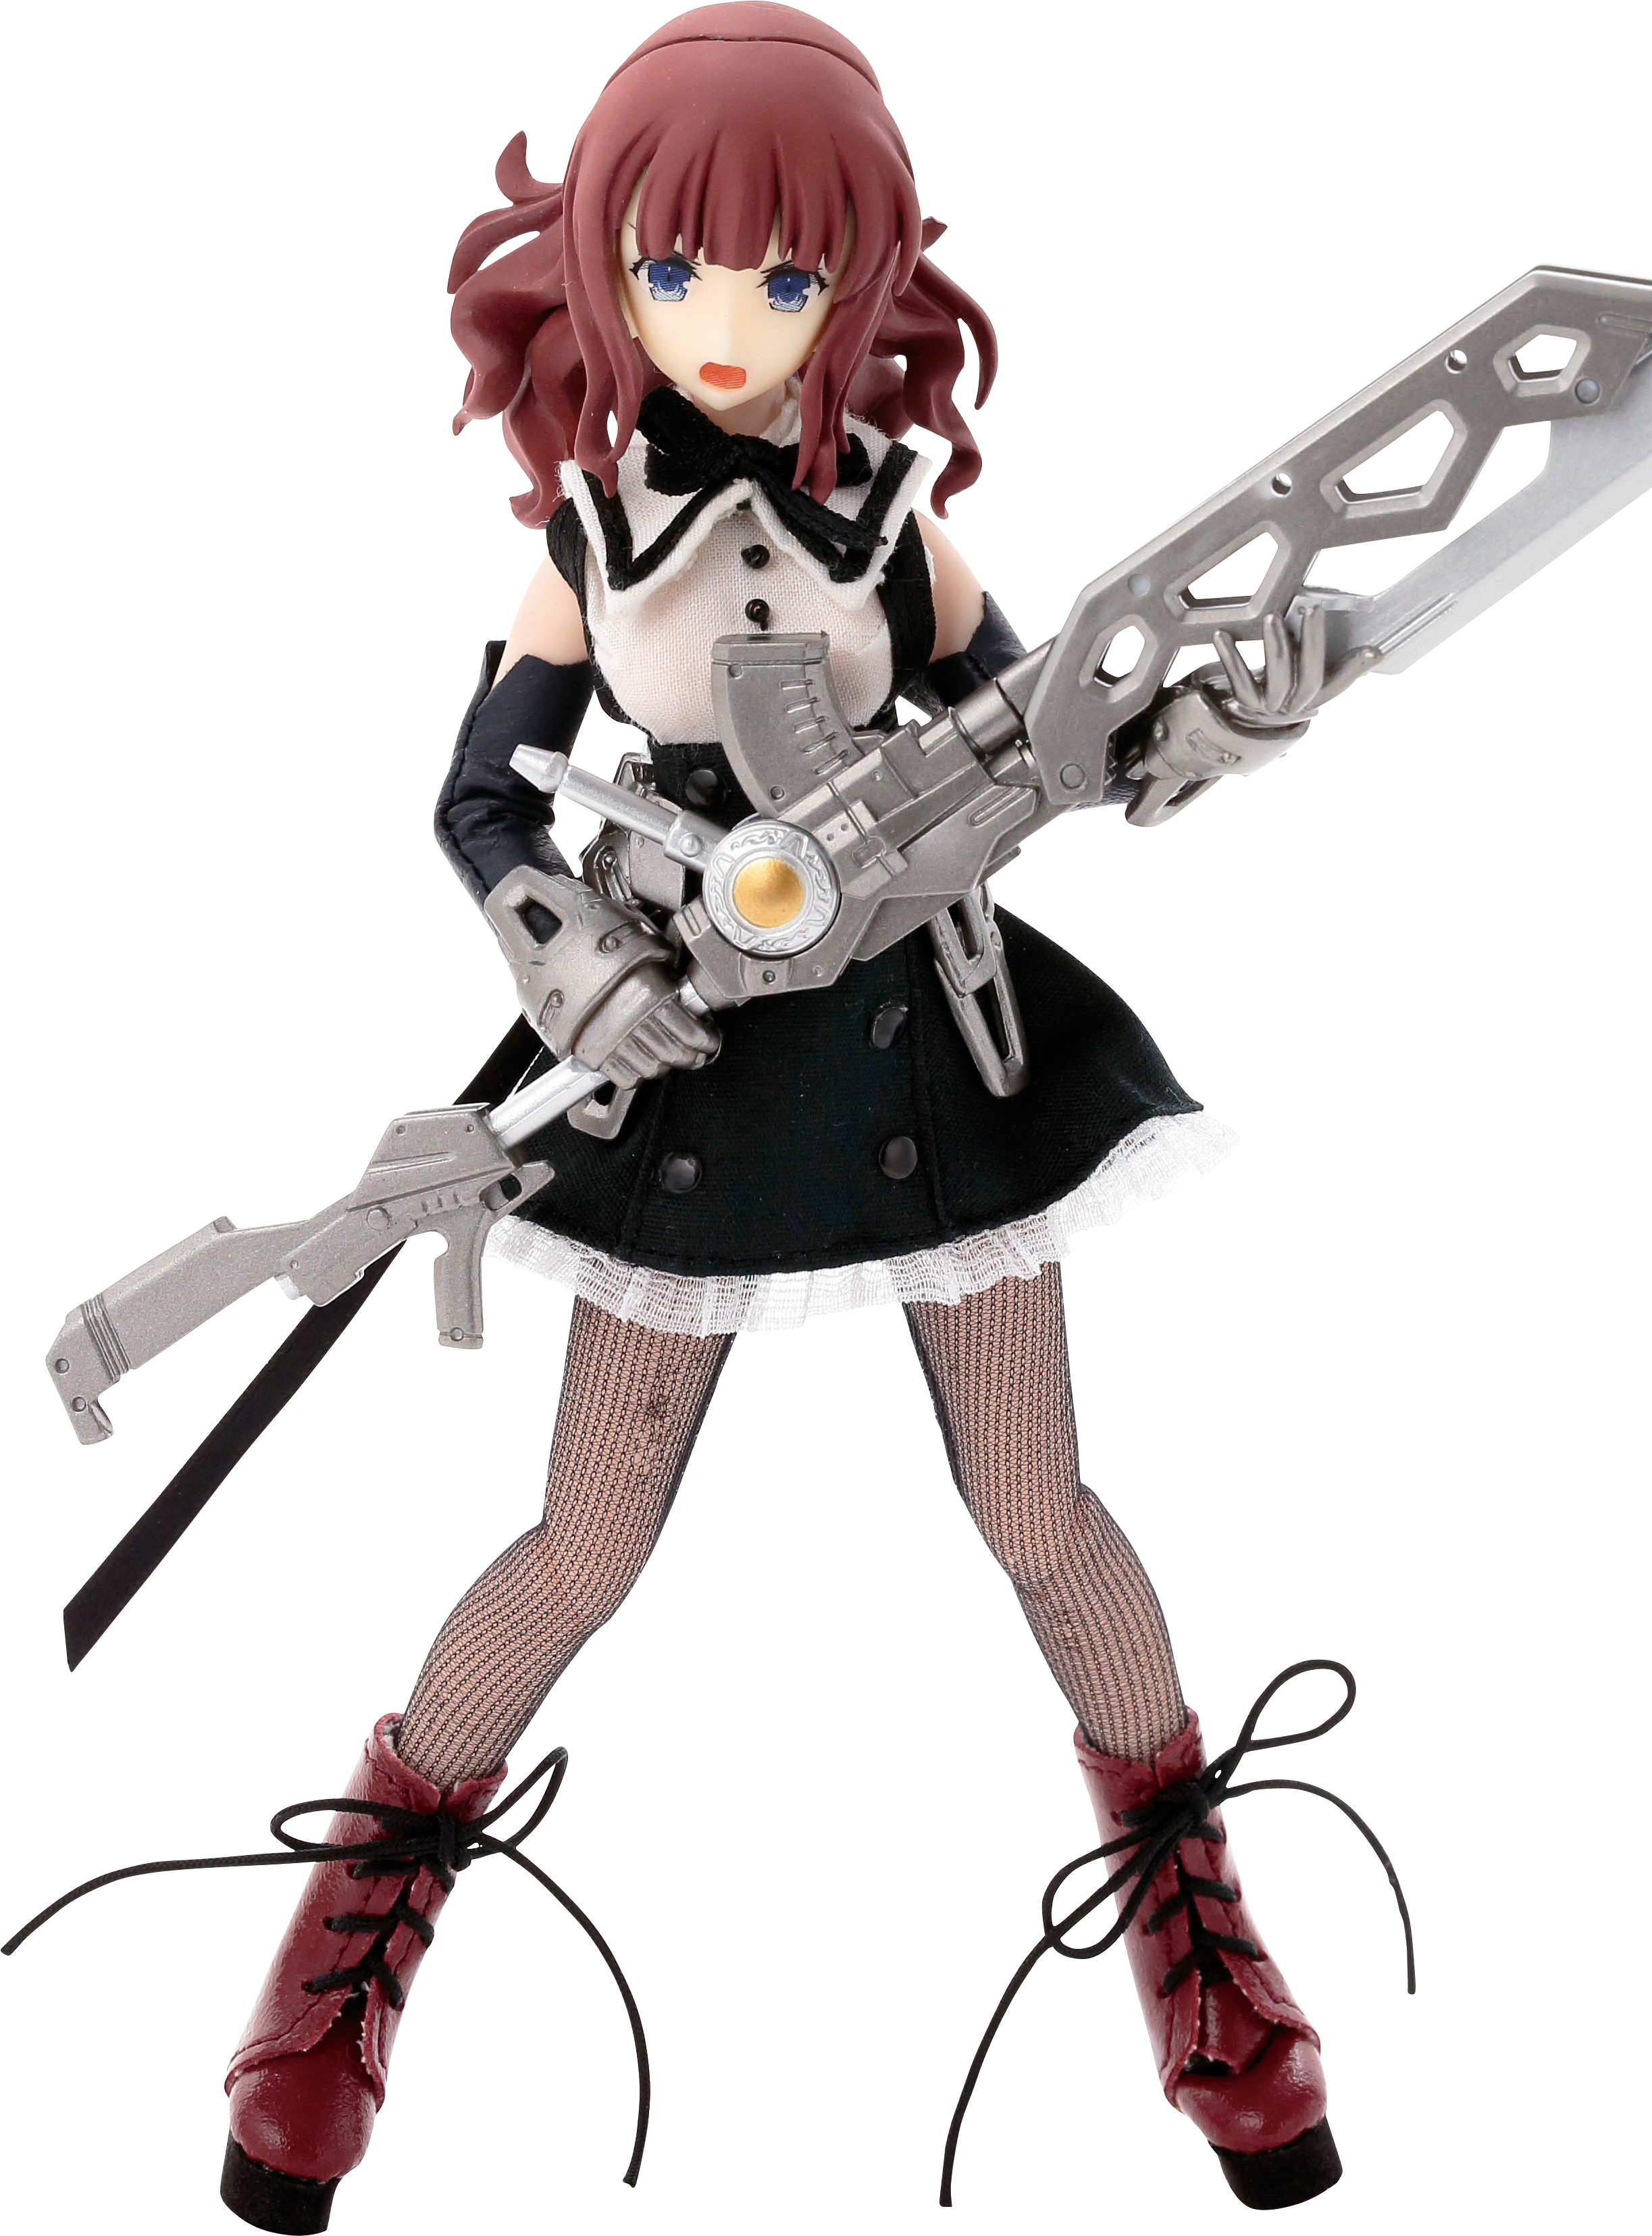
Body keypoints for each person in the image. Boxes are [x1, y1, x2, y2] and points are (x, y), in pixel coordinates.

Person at [215, 10, 1358, 2227]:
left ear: (860, 280)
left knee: (1039, 1505)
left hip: (929, 1046)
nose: (728, 320)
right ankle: (342, 1960)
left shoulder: (897, 529)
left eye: (786, 274)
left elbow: (1057, 737)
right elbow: (480, 798)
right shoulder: (595, 532)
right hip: (697, 1069)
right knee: (585, 1546)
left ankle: (1200, 1948)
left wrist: (1215, 727)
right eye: (674, 270)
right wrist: (580, 965)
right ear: (603, 267)